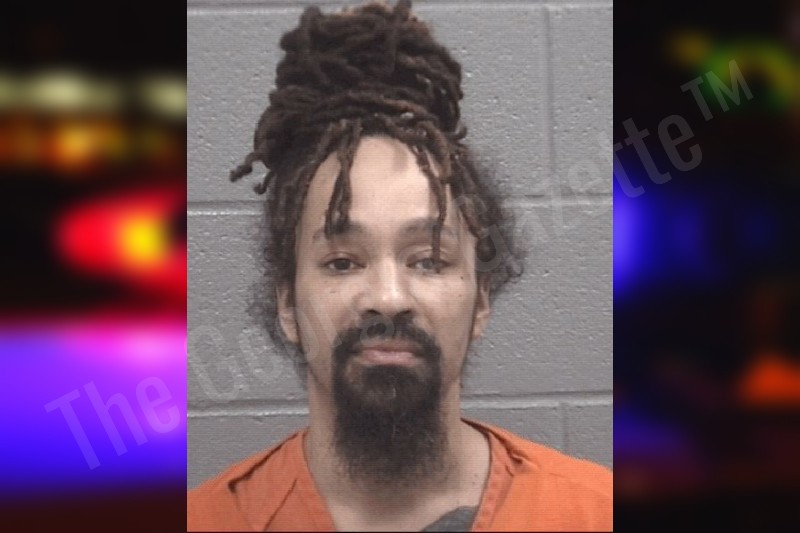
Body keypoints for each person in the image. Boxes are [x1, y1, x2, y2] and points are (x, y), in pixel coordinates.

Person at [187, 1, 612, 530]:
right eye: (342, 262)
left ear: (481, 300)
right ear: (288, 305)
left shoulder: (596, 513)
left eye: (429, 260)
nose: (388, 298)